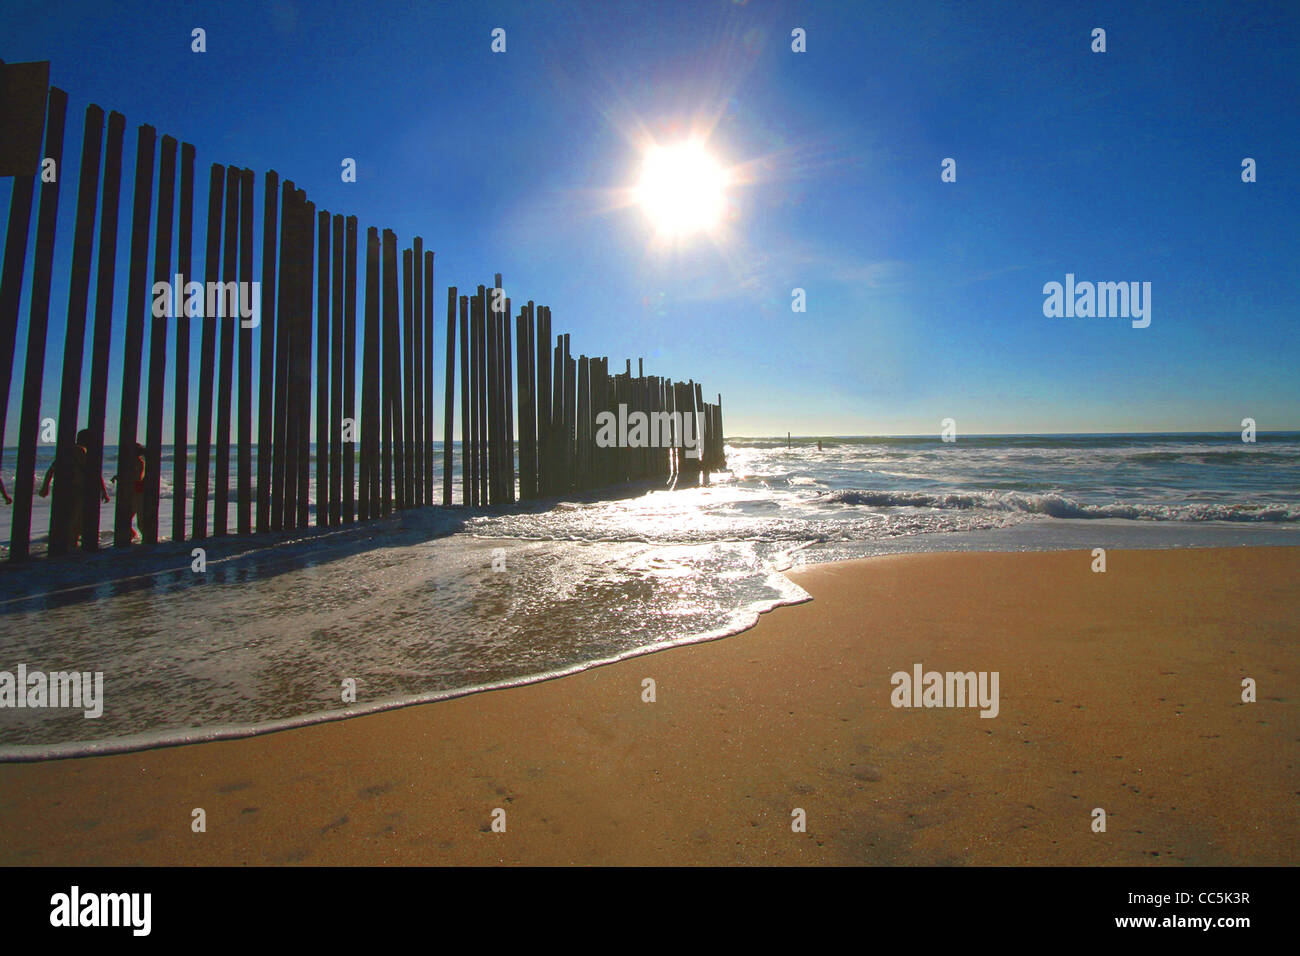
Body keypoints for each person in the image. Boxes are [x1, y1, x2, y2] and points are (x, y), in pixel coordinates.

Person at [38, 429, 110, 549]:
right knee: (75, 520)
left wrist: (45, 487)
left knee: (71, 519)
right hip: (79, 491)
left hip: (67, 490)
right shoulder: (81, 451)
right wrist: (104, 491)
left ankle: (68, 545)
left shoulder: (68, 451)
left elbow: (52, 469)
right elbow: (94, 473)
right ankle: (71, 546)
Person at [109, 441, 146, 542]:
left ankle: (146, 541)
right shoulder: (130, 463)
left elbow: (138, 478)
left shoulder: (140, 462)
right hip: (132, 493)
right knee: (125, 519)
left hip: (138, 493)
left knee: (140, 521)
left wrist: (123, 478)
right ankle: (133, 537)